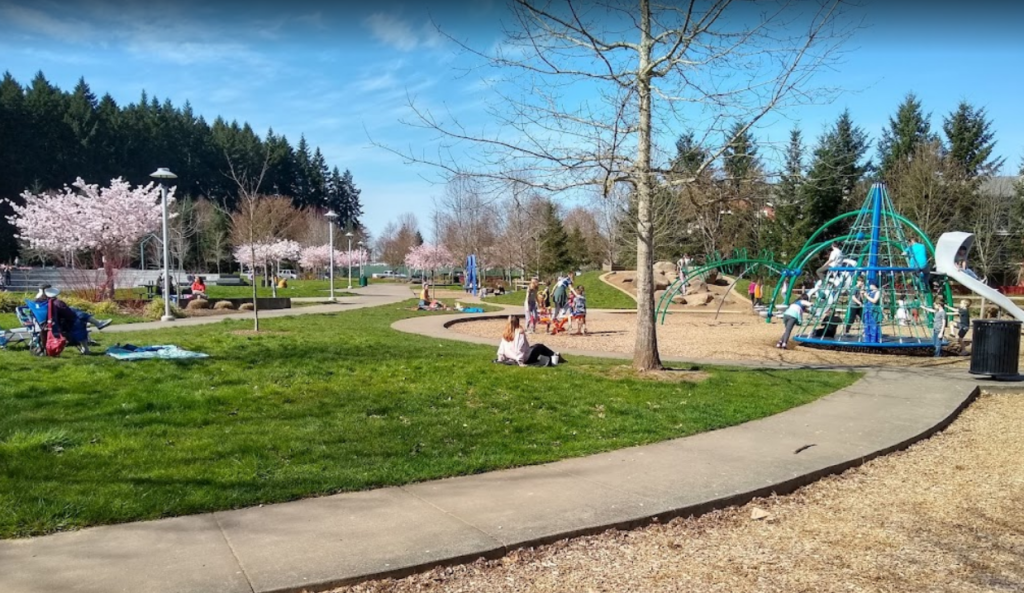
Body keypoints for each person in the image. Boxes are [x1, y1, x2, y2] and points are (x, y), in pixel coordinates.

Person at [33, 285, 112, 339]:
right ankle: (96, 323)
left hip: (39, 325)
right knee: (78, 316)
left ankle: (97, 323)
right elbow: (69, 315)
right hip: (56, 325)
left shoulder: (36, 303)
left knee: (74, 310)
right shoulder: (56, 303)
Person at [496, 315, 561, 366]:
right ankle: (555, 356)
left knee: (535, 347)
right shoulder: (519, 332)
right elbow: (520, 348)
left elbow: (501, 349)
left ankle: (554, 355)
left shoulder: (505, 333)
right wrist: (520, 361)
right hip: (524, 358)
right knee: (540, 346)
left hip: (511, 357)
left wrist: (500, 358)